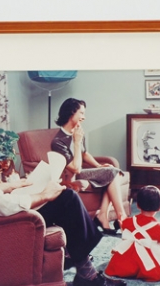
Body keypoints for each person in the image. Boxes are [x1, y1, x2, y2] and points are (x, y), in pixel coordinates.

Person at [0, 96, 126, 286]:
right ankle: (87, 274)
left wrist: (13, 185)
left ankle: (75, 257)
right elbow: (3, 206)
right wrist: (44, 195)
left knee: (60, 196)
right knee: (67, 199)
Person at [51, 98, 127, 235]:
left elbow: (84, 153)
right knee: (113, 172)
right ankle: (121, 218)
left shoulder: (78, 131)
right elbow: (75, 168)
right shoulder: (58, 141)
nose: (84, 117)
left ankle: (103, 215)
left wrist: (98, 166)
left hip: (79, 171)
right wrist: (76, 141)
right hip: (69, 176)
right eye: (81, 113)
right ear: (71, 113)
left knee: (112, 171)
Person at [105, 186, 160, 282]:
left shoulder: (128, 221)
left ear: (138, 205)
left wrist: (122, 225)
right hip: (147, 259)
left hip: (129, 261)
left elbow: (125, 235)